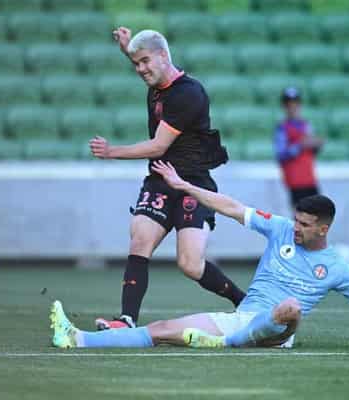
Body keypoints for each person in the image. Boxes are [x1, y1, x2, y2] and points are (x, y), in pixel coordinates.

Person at [49, 161, 349, 349]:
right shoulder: (279, 228)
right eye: (296, 220)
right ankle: (77, 338)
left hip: (279, 331)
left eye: (304, 225)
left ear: (323, 230)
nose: (295, 228)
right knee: (162, 330)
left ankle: (228, 343)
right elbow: (231, 206)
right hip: (242, 321)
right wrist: (185, 186)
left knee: (290, 308)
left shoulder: (338, 268)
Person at [89, 28, 245, 330]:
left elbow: (159, 146)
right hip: (160, 179)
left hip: (192, 184)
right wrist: (128, 49)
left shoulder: (189, 93)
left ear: (163, 56)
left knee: (189, 264)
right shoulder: (157, 79)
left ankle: (243, 301)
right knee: (140, 240)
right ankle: (126, 319)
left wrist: (111, 152)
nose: (140, 69)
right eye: (136, 64)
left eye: (144, 61)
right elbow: (146, 59)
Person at [274, 87, 324, 209]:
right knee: (302, 220)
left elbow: (312, 150)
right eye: (289, 104)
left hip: (310, 179)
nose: (292, 107)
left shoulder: (306, 125)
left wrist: (315, 144)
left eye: (295, 104)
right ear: (284, 107)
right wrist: (299, 146)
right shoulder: (282, 128)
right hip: (295, 182)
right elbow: (281, 154)